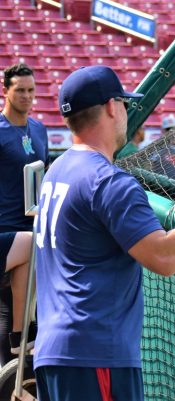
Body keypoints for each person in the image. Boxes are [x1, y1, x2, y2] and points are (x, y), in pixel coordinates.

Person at [34, 65, 175, 401]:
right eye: (123, 103)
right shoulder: (107, 180)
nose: (125, 111)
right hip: (95, 353)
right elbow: (164, 257)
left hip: (55, 352)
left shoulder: (56, 171)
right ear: (111, 107)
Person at [0, 63, 48, 366]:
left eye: (31, 90)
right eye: (20, 90)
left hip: (31, 228)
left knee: (10, 314)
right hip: (6, 231)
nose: (27, 96)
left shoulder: (40, 129)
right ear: (6, 91)